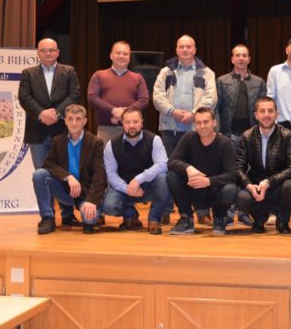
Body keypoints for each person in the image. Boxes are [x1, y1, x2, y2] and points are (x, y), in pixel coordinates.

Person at [153, 34, 217, 224]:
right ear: (177, 50)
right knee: (168, 171)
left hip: (196, 130)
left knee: (200, 170)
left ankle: (202, 212)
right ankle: (165, 210)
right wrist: (172, 111)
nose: (185, 49)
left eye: (189, 46)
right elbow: (157, 96)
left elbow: (211, 98)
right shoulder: (166, 72)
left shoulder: (206, 73)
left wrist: (194, 114)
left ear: (195, 49)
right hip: (169, 129)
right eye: (182, 46)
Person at [18, 37, 81, 228]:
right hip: (37, 133)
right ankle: (47, 216)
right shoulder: (28, 73)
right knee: (42, 174)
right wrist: (41, 114)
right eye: (44, 50)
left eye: (51, 50)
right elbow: (24, 97)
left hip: (62, 131)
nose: (48, 53)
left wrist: (57, 113)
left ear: (58, 52)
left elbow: (74, 94)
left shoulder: (69, 71)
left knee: (65, 172)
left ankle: (68, 215)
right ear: (38, 53)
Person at [32, 104, 106, 235]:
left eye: (78, 119)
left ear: (85, 121)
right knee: (39, 174)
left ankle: (89, 212)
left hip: (86, 193)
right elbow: (48, 163)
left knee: (90, 221)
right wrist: (68, 176)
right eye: (70, 119)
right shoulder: (58, 141)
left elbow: (99, 176)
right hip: (66, 191)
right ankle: (47, 218)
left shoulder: (95, 143)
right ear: (65, 121)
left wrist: (91, 201)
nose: (74, 123)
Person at [215, 44, 266, 226]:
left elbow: (263, 108)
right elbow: (217, 108)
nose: (241, 58)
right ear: (232, 59)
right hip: (228, 134)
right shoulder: (222, 81)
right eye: (238, 55)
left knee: (247, 174)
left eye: (245, 55)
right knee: (230, 174)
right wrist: (219, 132)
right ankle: (228, 213)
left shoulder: (259, 82)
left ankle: (244, 211)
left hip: (251, 136)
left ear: (249, 59)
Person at [166, 108, 238, 236]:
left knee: (231, 188)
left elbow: (232, 174)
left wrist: (208, 181)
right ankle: (186, 218)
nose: (202, 126)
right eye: (198, 123)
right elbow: (171, 162)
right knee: (172, 176)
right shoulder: (189, 137)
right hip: (193, 189)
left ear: (214, 122)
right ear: (194, 125)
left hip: (215, 192)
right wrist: (188, 168)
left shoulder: (225, 143)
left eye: (206, 122)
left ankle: (219, 218)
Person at [235, 97, 291, 234]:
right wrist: (248, 185)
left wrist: (269, 182)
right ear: (256, 115)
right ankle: (259, 219)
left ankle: (282, 220)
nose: (266, 115)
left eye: (270, 111)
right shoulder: (247, 136)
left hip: (278, 187)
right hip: (257, 189)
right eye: (262, 111)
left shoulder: (287, 135)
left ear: (276, 114)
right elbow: (238, 167)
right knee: (240, 196)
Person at [101, 107, 170, 235]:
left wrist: (138, 179)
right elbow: (110, 173)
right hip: (124, 188)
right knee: (109, 207)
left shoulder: (154, 139)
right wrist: (127, 188)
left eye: (135, 121)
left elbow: (163, 164)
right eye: (127, 122)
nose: (132, 126)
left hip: (147, 187)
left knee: (164, 178)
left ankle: (154, 219)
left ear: (142, 122)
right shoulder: (112, 145)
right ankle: (130, 213)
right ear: (122, 123)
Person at [87, 40, 149, 144]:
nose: (121, 56)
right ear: (111, 56)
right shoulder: (98, 75)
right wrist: (113, 110)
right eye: (118, 53)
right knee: (105, 155)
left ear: (129, 57)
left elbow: (144, 100)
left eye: (125, 54)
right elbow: (92, 98)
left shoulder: (138, 78)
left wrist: (123, 114)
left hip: (132, 130)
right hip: (106, 130)